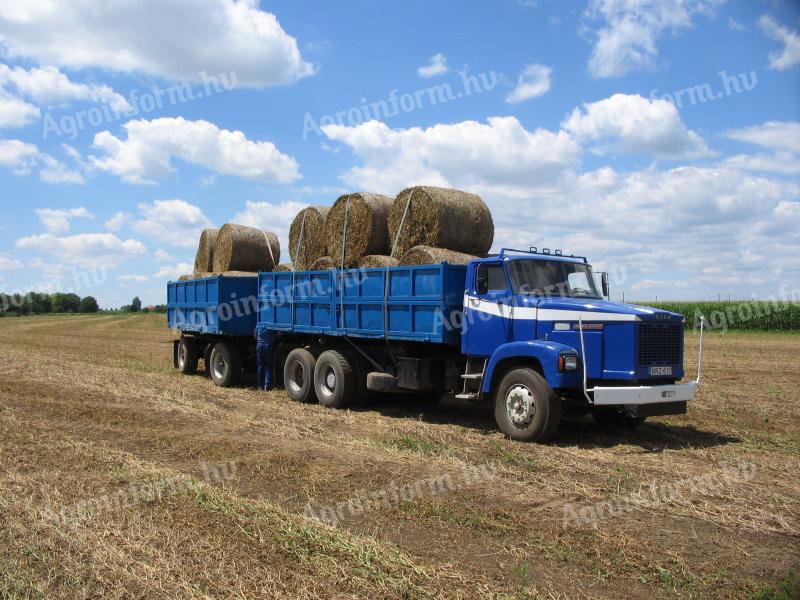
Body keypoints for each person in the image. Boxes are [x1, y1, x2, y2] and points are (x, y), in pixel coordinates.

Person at [255, 325, 278, 391]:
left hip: (259, 346)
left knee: (260, 366)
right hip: (268, 346)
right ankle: (266, 385)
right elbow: (278, 335)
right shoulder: (271, 325)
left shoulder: (259, 324)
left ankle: (260, 386)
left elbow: (255, 335)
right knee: (269, 366)